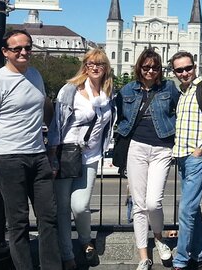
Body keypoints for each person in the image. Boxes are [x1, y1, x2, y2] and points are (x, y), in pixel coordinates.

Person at [0, 29, 61, 270]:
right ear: (6, 52)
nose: (24, 52)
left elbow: (43, 104)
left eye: (27, 47)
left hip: (38, 154)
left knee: (49, 218)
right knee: (18, 222)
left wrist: (53, 124)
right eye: (17, 49)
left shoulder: (35, 74)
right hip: (8, 157)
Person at [47, 49, 115, 270]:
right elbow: (57, 124)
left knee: (80, 205)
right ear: (84, 66)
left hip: (91, 155)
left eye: (100, 64)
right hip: (66, 154)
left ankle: (86, 240)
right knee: (63, 208)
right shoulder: (70, 90)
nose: (94, 67)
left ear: (106, 68)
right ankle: (68, 255)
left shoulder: (109, 93)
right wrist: (53, 156)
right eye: (90, 64)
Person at [115, 48, 180, 270]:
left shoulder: (169, 88)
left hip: (162, 148)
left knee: (154, 202)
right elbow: (119, 115)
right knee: (139, 205)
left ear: (160, 69)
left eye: (155, 67)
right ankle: (144, 255)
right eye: (146, 67)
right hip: (137, 147)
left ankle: (159, 239)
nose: (150, 71)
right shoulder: (127, 90)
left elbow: (179, 111)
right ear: (139, 68)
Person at [170, 51, 202, 270]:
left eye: (188, 68)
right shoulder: (182, 93)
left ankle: (180, 261)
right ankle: (201, 256)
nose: (184, 73)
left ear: (195, 66)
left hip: (196, 158)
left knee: (186, 210)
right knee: (193, 210)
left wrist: (200, 150)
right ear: (174, 72)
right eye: (179, 70)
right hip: (182, 157)